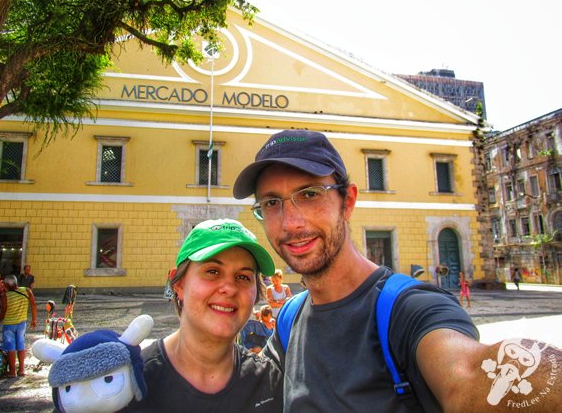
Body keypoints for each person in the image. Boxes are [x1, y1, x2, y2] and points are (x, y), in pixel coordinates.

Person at [233, 129, 562, 412]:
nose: (290, 222)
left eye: (310, 194)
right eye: (272, 203)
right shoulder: (291, 317)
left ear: (347, 201)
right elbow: (249, 386)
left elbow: (467, 372)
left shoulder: (409, 311)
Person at [133, 219, 282, 412]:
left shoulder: (270, 383)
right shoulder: (128, 384)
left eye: (243, 277)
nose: (229, 288)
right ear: (178, 284)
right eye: (212, 271)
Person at [0, 275, 37, 377]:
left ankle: (12, 371)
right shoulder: (27, 291)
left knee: (11, 347)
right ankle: (22, 370)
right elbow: (33, 304)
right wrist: (34, 320)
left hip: (9, 325)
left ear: (7, 285)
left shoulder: (5, 296)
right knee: (21, 346)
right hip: (21, 324)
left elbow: (2, 314)